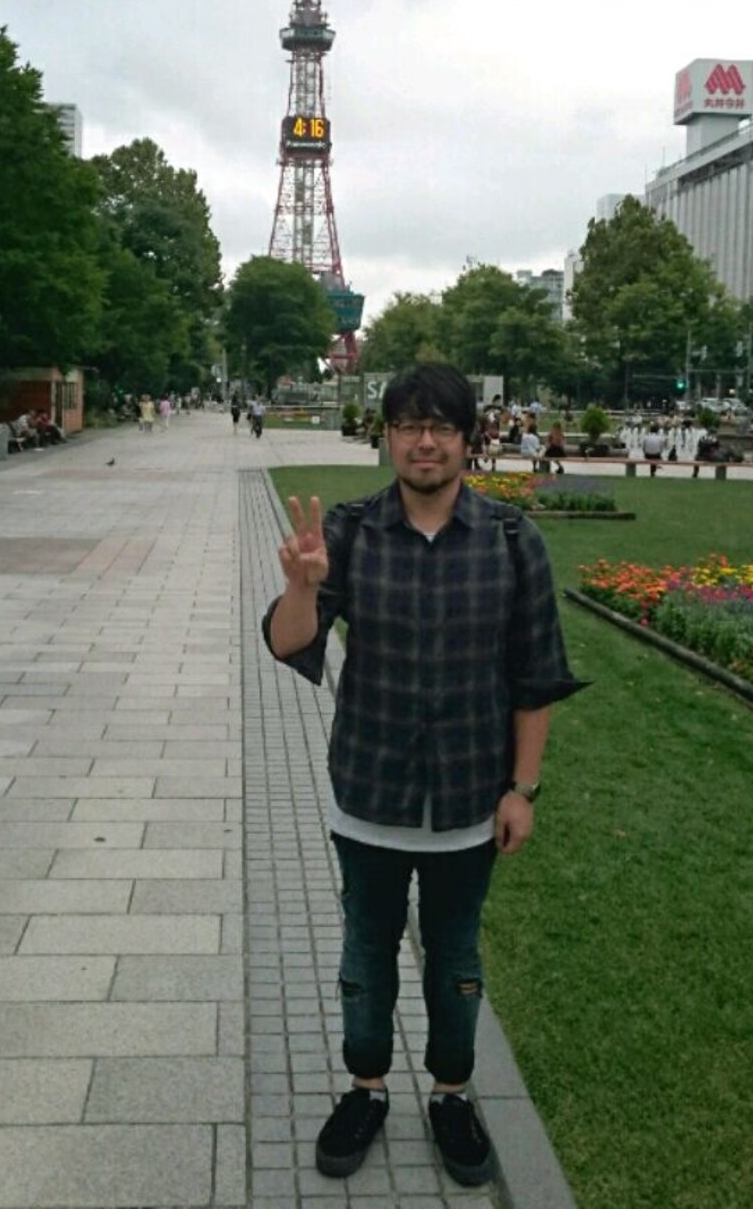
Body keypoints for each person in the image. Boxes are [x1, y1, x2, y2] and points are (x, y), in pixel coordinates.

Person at [264, 363, 585, 1187]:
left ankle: (450, 1094)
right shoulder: (350, 531)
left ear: (468, 439)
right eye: (409, 425)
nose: (425, 441)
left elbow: (535, 676)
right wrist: (301, 587)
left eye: (442, 425)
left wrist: (523, 789)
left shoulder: (510, 540)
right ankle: (366, 1088)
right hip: (371, 791)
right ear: (388, 437)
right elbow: (289, 642)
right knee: (366, 954)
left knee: (455, 957)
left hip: (471, 800)